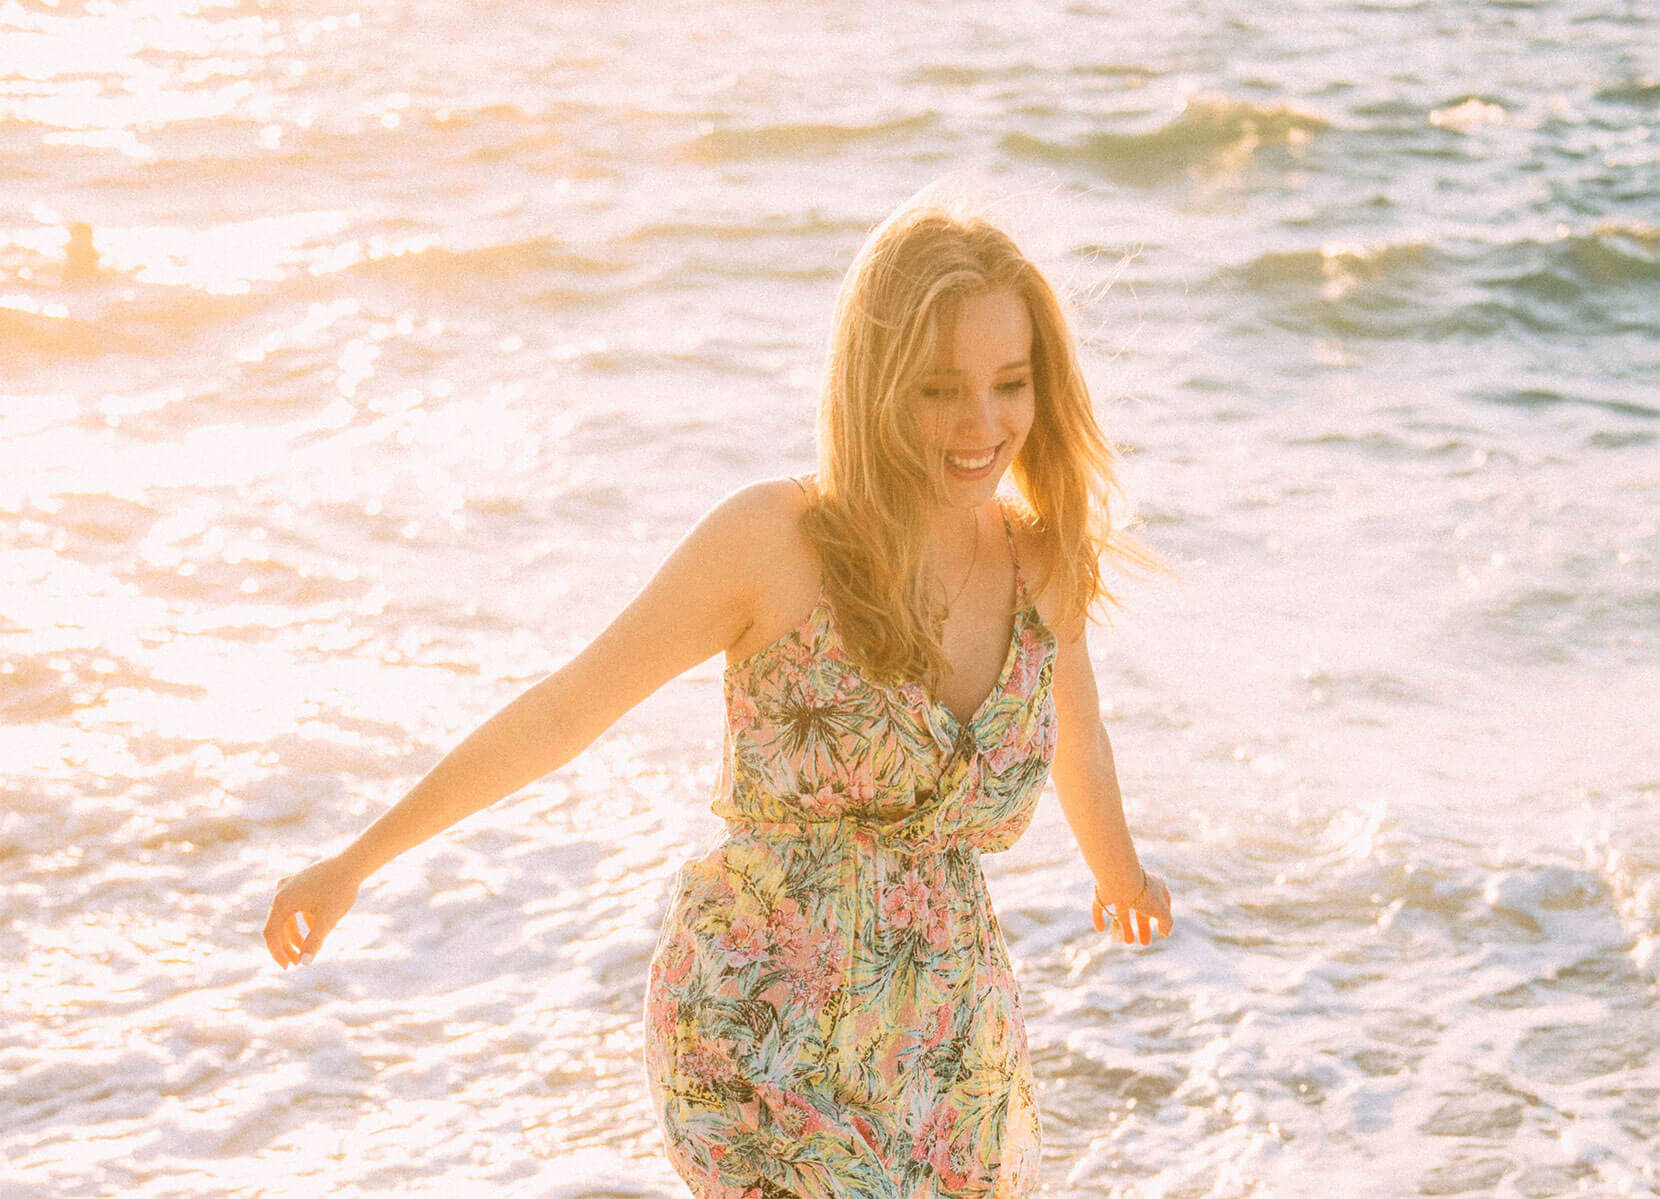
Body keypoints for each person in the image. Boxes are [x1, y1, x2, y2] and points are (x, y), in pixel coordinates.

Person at [263, 192, 1175, 1198]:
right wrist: (355, 862)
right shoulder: (775, 543)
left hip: (946, 1047)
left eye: (1010, 384)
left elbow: (1078, 732)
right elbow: (568, 709)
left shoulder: (1039, 562)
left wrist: (1120, 876)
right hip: (757, 1032)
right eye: (937, 388)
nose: (981, 423)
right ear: (874, 383)